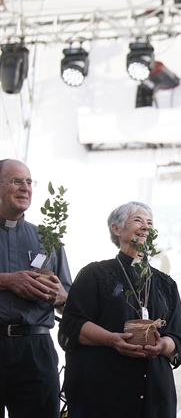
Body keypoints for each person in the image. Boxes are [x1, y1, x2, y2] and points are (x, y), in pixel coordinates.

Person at [58, 202, 181, 418]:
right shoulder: (95, 274)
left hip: (154, 395)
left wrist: (161, 345)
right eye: (138, 220)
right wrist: (111, 339)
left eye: (150, 222)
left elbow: (179, 339)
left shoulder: (165, 283)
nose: (145, 226)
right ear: (116, 229)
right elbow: (72, 324)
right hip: (103, 392)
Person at [0, 159, 71, 418]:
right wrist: (7, 281)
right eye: (16, 181)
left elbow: (68, 300)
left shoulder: (48, 240)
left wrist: (59, 296)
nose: (25, 188)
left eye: (29, 182)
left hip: (35, 349)